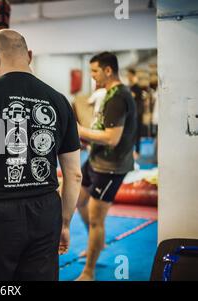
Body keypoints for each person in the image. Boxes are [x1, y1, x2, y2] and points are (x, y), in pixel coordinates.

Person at [0, 29, 82, 281]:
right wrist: (63, 223)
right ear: (29, 56)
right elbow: (74, 174)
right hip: (45, 211)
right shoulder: (60, 101)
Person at [76, 52, 137, 281]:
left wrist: (80, 131)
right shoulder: (108, 94)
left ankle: (88, 271)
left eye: (94, 71)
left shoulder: (118, 96)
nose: (92, 76)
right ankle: (96, 243)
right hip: (95, 161)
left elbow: (112, 138)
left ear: (108, 70)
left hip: (111, 167)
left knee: (95, 219)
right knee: (79, 201)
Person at [126, 68, 144, 157]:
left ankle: (137, 151)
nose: (127, 76)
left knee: (137, 132)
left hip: (138, 113)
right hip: (132, 113)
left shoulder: (137, 87)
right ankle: (132, 151)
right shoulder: (130, 87)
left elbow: (134, 96)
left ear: (132, 75)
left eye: (129, 75)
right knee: (131, 131)